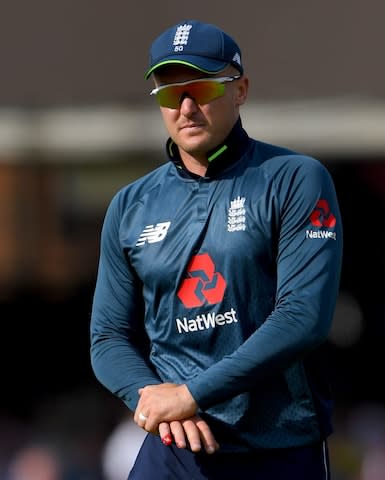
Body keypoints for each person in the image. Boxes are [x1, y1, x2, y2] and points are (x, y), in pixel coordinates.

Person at [90, 19, 343, 480]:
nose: (185, 107)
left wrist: (191, 394)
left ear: (240, 89)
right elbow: (107, 337)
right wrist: (154, 397)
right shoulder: (129, 205)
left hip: (278, 445)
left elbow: (302, 317)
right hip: (174, 447)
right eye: (169, 94)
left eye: (200, 89)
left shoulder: (294, 178)